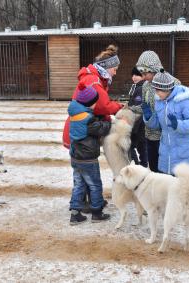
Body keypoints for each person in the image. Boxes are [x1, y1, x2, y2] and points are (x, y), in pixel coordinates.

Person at [62, 44, 123, 213]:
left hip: (78, 131)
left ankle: (81, 204)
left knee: (81, 174)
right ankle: (90, 205)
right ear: (107, 67)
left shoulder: (95, 77)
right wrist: (118, 109)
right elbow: (102, 106)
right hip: (83, 135)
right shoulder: (93, 80)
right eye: (115, 69)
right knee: (88, 175)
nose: (115, 73)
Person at [142, 69, 189, 175]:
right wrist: (149, 117)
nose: (156, 93)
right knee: (169, 187)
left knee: (182, 187)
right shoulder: (159, 101)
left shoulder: (182, 100)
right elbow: (157, 125)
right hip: (166, 151)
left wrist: (178, 124)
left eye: (158, 90)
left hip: (182, 151)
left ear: (167, 89)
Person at [67, 86, 112, 225]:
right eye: (95, 102)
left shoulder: (75, 114)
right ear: (89, 103)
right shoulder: (88, 119)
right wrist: (107, 122)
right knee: (95, 185)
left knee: (79, 185)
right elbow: (102, 128)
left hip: (76, 157)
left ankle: (75, 214)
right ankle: (97, 213)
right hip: (88, 159)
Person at [135, 50, 180, 172]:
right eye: (141, 73)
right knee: (154, 169)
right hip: (150, 135)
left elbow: (179, 109)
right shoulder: (145, 86)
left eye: (145, 73)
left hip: (167, 137)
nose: (143, 77)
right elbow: (143, 105)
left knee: (168, 171)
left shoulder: (173, 83)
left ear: (154, 68)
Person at [127, 66, 147, 167]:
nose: (134, 77)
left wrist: (133, 127)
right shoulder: (136, 86)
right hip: (140, 124)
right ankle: (143, 166)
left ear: (143, 76)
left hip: (138, 124)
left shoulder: (141, 88)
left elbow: (138, 108)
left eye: (137, 75)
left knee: (129, 146)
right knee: (142, 146)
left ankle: (136, 166)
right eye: (133, 75)